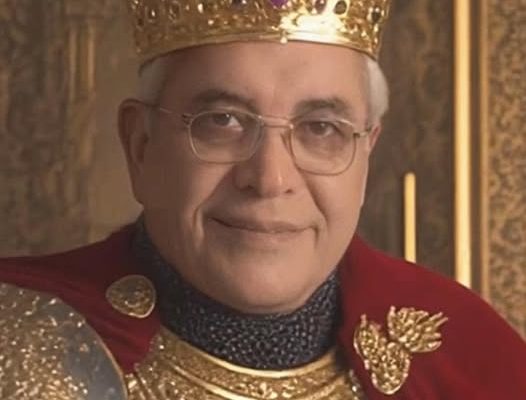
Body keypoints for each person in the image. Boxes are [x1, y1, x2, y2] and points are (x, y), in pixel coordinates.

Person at [0, 0, 525, 399]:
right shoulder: (18, 341)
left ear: (366, 156)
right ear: (141, 146)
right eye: (223, 121)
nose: (270, 179)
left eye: (321, 128)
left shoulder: (476, 361)